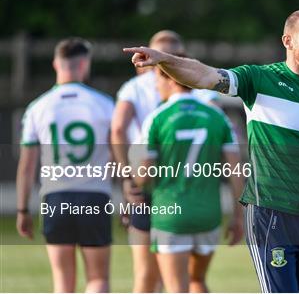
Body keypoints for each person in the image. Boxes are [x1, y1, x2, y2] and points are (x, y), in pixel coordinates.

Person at [124, 9, 299, 293]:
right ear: (288, 41)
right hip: (271, 214)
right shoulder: (257, 80)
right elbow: (204, 75)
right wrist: (164, 59)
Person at [111, 30, 216, 292]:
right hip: (193, 189)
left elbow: (117, 130)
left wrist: (127, 177)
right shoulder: (197, 84)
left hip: (149, 186)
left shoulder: (136, 86)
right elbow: (219, 120)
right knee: (195, 279)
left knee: (147, 276)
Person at [131, 66, 244, 293]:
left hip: (171, 215)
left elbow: (143, 177)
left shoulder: (158, 117)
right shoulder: (216, 116)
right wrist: (238, 216)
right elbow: (236, 171)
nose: (156, 87)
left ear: (170, 80)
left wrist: (133, 162)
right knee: (198, 282)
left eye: (157, 81)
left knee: (176, 288)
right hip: (207, 215)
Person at [16, 38, 114, 292]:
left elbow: (27, 165)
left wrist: (22, 209)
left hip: (56, 197)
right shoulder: (105, 104)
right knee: (98, 279)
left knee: (63, 283)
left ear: (55, 64)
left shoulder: (37, 107)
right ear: (84, 64)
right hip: (95, 195)